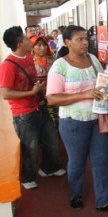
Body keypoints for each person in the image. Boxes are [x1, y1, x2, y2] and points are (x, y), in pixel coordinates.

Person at [46, 25, 108, 215]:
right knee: (77, 161)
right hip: (73, 122)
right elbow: (52, 98)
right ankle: (76, 195)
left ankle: (103, 201)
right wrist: (85, 94)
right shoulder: (60, 66)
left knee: (100, 161)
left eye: (85, 39)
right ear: (67, 42)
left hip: (98, 119)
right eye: (79, 39)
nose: (84, 42)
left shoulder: (93, 59)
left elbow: (101, 82)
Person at [0, 26, 65, 190]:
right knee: (31, 148)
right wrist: (31, 92)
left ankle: (49, 168)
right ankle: (27, 178)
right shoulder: (8, 65)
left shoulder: (29, 58)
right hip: (23, 114)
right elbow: (5, 94)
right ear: (20, 43)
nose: (31, 40)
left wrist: (37, 90)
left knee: (52, 140)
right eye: (27, 38)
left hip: (39, 107)